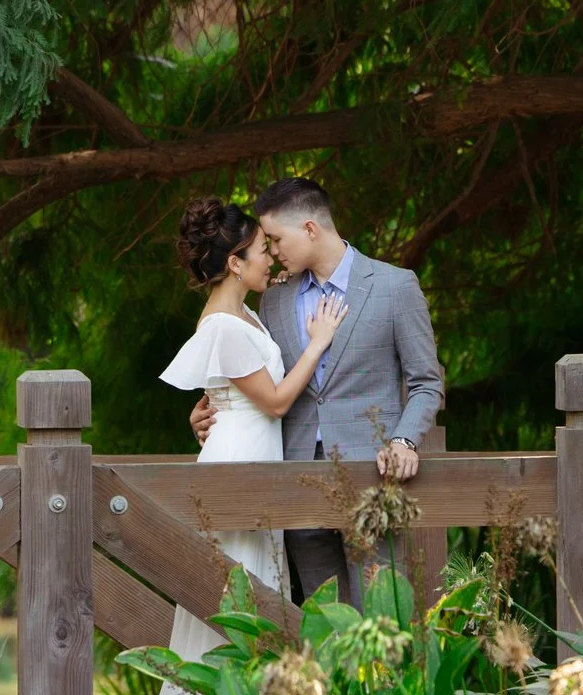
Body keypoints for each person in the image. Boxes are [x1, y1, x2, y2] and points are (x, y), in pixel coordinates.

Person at [188, 175, 444, 608]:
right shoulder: (275, 301)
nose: (271, 250)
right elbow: (258, 380)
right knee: (322, 628)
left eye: (275, 238)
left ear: (309, 229)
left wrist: (403, 440)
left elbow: (426, 383)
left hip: (374, 482)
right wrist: (213, 413)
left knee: (382, 622)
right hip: (296, 482)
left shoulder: (394, 287)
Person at [148, 196, 348, 695]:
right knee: (234, 601)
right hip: (238, 468)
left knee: (255, 596)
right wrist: (319, 343)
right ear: (234, 262)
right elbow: (277, 401)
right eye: (261, 250)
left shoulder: (243, 315)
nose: (270, 259)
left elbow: (231, 392)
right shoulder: (225, 325)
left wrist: (204, 412)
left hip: (250, 455)